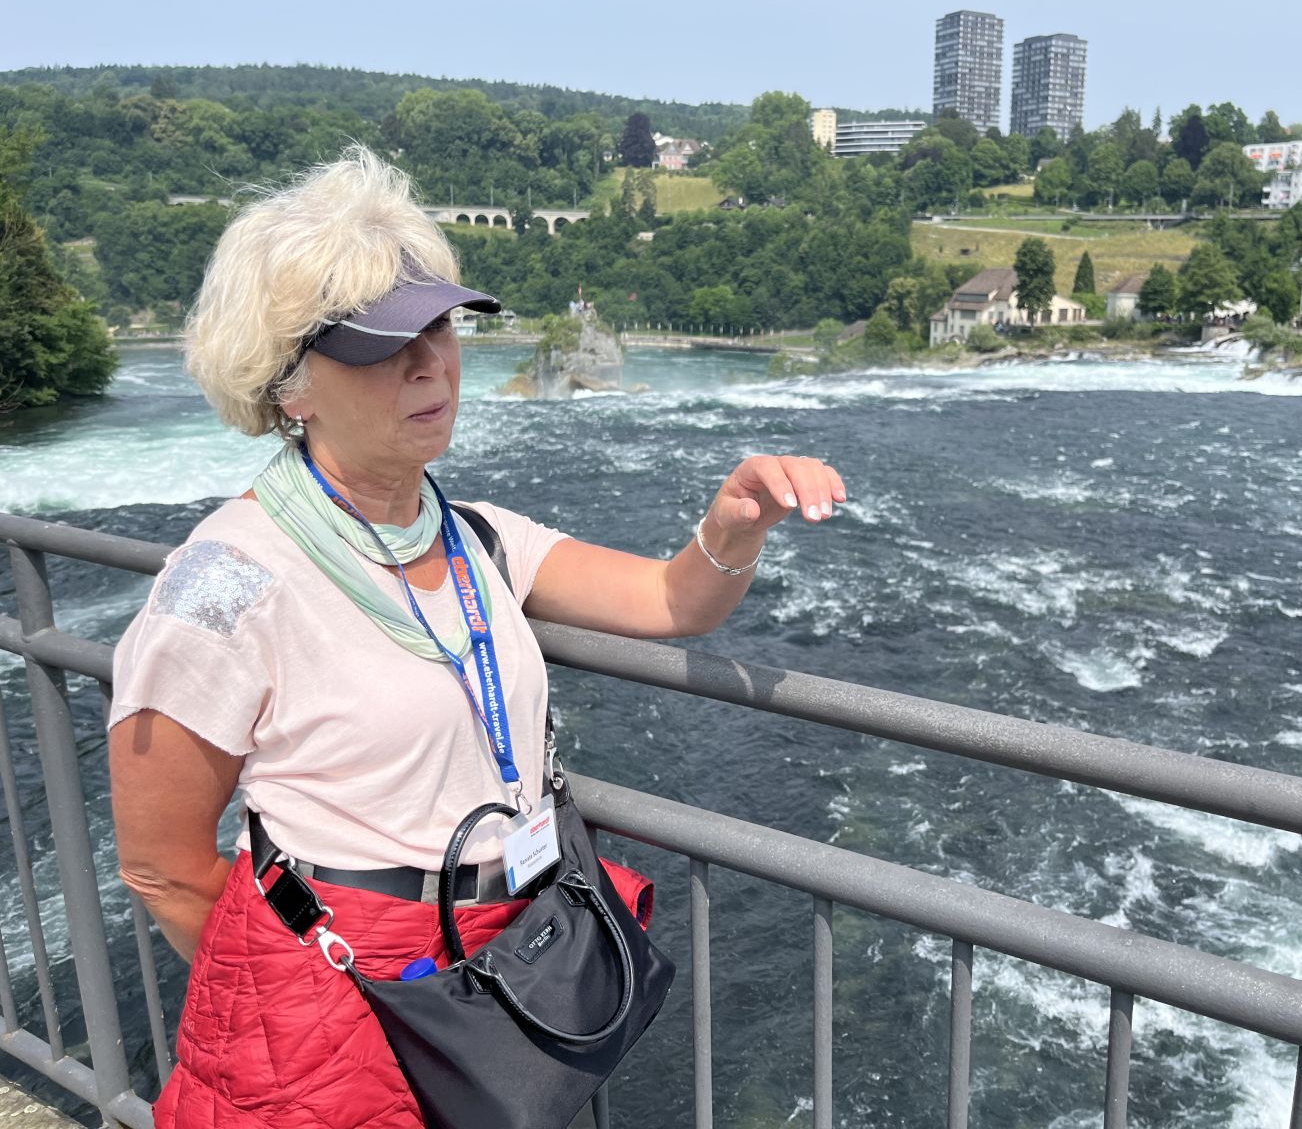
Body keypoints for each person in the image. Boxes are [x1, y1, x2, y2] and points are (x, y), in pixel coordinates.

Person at [107, 144, 846, 1128]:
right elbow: (161, 863)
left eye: (440, 326)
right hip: (334, 1005)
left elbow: (673, 605)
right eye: (380, 346)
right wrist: (313, 1003)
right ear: (290, 386)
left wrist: (733, 527)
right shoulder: (227, 580)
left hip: (492, 963)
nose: (430, 362)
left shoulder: (479, 537)